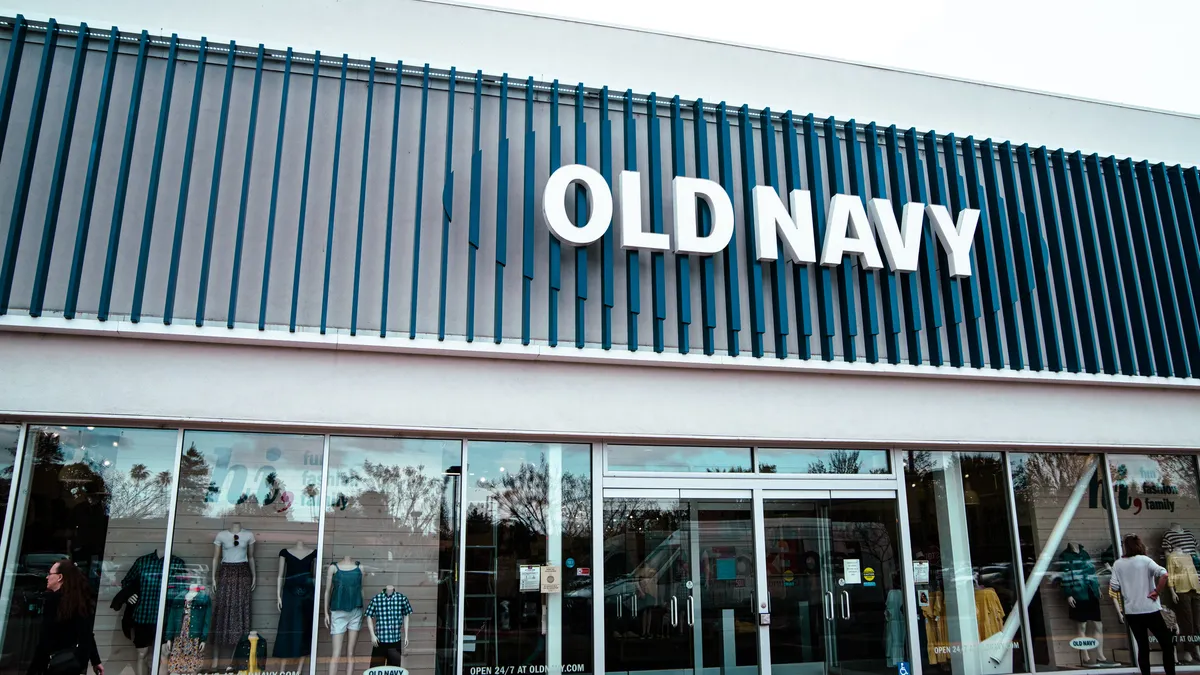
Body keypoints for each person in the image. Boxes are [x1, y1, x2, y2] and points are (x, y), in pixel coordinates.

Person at [1110, 534, 1174, 675]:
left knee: (1143, 647)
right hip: (1150, 608)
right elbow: (1164, 574)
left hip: (1132, 611)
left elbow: (1114, 587)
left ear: (1125, 547)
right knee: (1166, 644)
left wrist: (1127, 586)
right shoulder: (1145, 560)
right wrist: (1156, 591)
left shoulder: (1118, 564)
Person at [29, 559, 103, 675]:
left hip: (55, 663)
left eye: (50, 574)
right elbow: (87, 634)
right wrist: (95, 660)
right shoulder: (78, 601)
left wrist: (34, 669)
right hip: (70, 663)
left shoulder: (52, 601)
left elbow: (46, 639)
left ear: (60, 577)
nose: (47, 577)